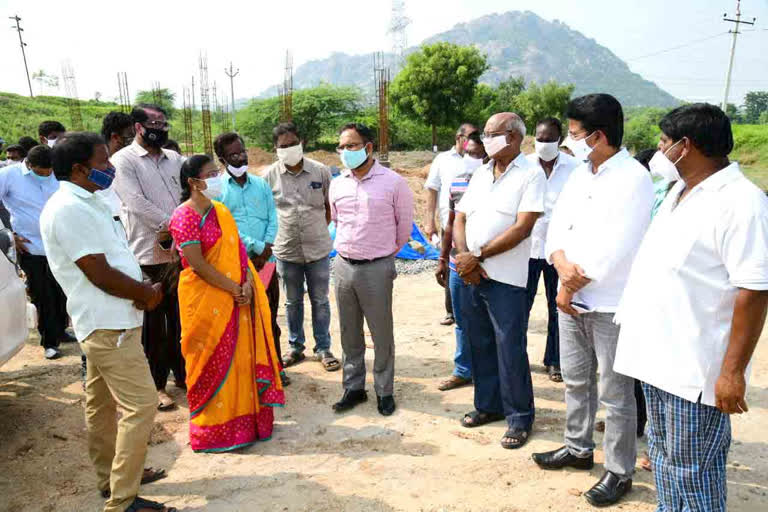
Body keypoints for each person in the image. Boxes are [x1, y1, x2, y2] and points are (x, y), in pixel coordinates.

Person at [614, 104, 768, 511]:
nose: (659, 150)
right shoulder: (680, 192)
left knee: (693, 471)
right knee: (664, 460)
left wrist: (732, 372)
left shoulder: (741, 201)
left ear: (686, 146)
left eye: (665, 142)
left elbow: (753, 290)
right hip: (656, 359)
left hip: (693, 369)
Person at [40, 132, 175, 512]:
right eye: (103, 162)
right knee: (142, 405)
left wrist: (140, 286)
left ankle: (112, 479)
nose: (111, 168)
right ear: (80, 169)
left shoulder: (88, 200)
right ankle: (122, 500)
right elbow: (97, 271)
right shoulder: (69, 208)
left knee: (99, 405)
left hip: (105, 320)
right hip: (108, 323)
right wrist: (144, 293)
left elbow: (110, 259)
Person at [532, 94, 654, 507]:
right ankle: (577, 447)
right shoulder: (581, 174)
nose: (570, 141)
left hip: (609, 302)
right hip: (571, 296)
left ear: (598, 135)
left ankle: (619, 471)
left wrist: (568, 285)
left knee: (616, 393)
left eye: (575, 134)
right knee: (576, 379)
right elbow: (557, 227)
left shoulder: (633, 178)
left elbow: (618, 245)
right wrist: (561, 262)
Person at [169, 154, 284, 453]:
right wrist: (235, 288)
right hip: (206, 302)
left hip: (237, 297)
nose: (218, 178)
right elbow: (197, 265)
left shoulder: (221, 210)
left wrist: (246, 283)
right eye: (211, 174)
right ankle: (214, 429)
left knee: (241, 360)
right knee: (209, 360)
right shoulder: (183, 216)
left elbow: (239, 254)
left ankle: (246, 423)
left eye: (217, 172)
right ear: (194, 182)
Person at [452, 113, 544, 449]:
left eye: (494, 134)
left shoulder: (531, 175)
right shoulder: (480, 173)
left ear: (516, 137)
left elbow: (523, 228)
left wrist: (478, 257)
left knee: (510, 348)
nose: (486, 139)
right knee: (480, 343)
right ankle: (487, 405)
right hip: (470, 274)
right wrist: (465, 259)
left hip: (506, 278)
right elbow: (460, 217)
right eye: (485, 134)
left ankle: (519, 417)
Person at [330, 123, 414, 416]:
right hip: (342, 265)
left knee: (381, 333)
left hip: (376, 267)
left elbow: (403, 231)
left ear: (368, 148)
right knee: (349, 332)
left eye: (351, 146)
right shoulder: (338, 183)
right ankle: (353, 388)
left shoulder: (394, 183)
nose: (345, 152)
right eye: (341, 147)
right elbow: (337, 221)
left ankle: (384, 390)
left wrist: (379, 256)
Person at [112, 103, 186, 411]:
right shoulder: (123, 161)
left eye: (164, 122)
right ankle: (157, 385)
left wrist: (183, 231)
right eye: (154, 122)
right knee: (154, 325)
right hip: (148, 254)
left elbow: (188, 192)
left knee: (182, 319)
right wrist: (176, 226)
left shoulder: (174, 159)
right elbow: (136, 203)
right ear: (139, 127)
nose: (161, 127)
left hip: (181, 253)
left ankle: (184, 374)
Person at [263, 122, 339, 373]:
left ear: (302, 142)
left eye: (292, 144)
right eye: (283, 146)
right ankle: (296, 347)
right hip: (286, 250)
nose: (289, 149)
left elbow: (329, 209)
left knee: (320, 299)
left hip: (317, 248)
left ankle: (323, 348)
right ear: (275, 148)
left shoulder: (321, 172)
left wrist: (316, 229)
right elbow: (267, 214)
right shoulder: (268, 176)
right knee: (292, 302)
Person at [213, 132, 286, 384]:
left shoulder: (261, 184)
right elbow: (226, 226)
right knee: (243, 321)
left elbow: (273, 218)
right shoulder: (217, 190)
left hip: (266, 262)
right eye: (233, 154)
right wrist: (255, 246)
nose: (241, 157)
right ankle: (249, 373)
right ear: (222, 159)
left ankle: (276, 367)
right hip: (237, 264)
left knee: (269, 317)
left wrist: (266, 247)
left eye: (242, 151)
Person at [0, 144, 73, 359]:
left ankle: (61, 330)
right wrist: (9, 234)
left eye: (50, 172)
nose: (47, 175)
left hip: (60, 244)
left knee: (61, 292)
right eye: (42, 173)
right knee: (43, 295)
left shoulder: (56, 172)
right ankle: (49, 342)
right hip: (30, 247)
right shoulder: (9, 175)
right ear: (29, 165)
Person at [525, 117, 580, 383]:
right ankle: (517, 358)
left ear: (559, 140)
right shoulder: (523, 165)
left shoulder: (575, 168)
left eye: (549, 139)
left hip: (559, 250)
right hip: (526, 247)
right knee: (519, 306)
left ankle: (555, 360)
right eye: (540, 138)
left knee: (556, 305)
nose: (544, 143)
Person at [434, 131, 487, 391]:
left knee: (489, 321)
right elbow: (450, 223)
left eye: (478, 155)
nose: (473, 159)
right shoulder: (457, 182)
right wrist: (443, 258)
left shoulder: (497, 182)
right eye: (469, 154)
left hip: (488, 264)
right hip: (458, 263)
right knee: (462, 320)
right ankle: (463, 370)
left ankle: (491, 373)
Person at [425, 123, 477, 326]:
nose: (474, 139)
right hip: (450, 223)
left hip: (474, 224)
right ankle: (451, 311)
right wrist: (429, 221)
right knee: (449, 265)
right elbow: (432, 190)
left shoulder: (479, 158)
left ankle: (472, 308)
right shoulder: (443, 160)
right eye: (470, 136)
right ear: (458, 137)